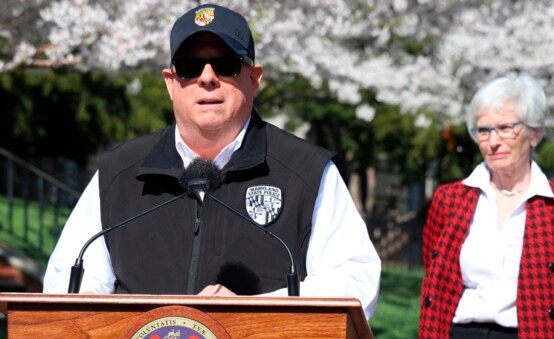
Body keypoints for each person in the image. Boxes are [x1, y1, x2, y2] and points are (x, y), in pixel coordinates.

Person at [43, 3, 381, 319]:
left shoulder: (307, 171)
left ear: (253, 78)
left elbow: (354, 284)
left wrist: (249, 314)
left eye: (225, 63)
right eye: (190, 66)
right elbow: (67, 284)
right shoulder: (119, 172)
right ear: (171, 83)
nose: (207, 77)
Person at [416, 74, 554, 339]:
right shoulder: (449, 200)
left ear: (534, 134)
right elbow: (436, 275)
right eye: (483, 130)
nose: (493, 142)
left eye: (505, 128)